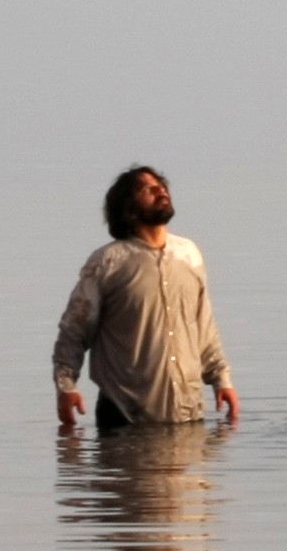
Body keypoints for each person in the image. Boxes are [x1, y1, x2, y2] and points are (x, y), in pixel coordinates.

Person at [53, 166, 239, 429]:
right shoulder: (108, 262)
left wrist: (222, 380)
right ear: (128, 206)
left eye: (162, 185)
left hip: (188, 411)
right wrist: (66, 386)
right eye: (148, 189)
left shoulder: (189, 254)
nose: (161, 190)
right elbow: (74, 330)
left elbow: (204, 326)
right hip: (124, 414)